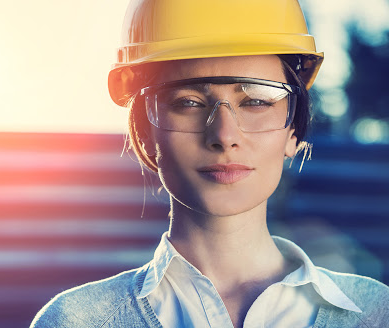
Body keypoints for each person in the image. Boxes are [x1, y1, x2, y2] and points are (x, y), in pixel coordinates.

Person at [30, 0, 389, 327]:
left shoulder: (378, 313)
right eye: (188, 102)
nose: (224, 134)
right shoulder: (74, 321)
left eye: (257, 101)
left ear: (293, 132)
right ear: (145, 133)